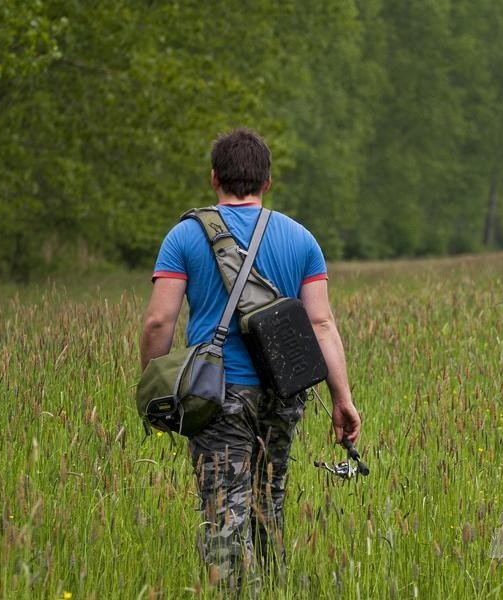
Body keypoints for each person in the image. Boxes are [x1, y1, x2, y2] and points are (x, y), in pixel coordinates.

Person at [139, 128, 361, 592]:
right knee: (269, 502)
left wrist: (154, 387)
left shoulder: (184, 237)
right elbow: (322, 325)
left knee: (224, 515)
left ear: (214, 177)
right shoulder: (302, 240)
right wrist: (342, 398)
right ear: (268, 181)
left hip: (214, 396)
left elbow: (159, 322)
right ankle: (274, 588)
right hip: (284, 392)